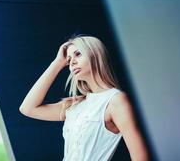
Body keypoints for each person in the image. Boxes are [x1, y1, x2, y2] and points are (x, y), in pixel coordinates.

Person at [19, 34, 149, 161]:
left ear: (95, 54)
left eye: (78, 54)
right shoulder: (74, 105)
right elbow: (27, 108)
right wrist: (57, 63)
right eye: (69, 60)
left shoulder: (115, 100)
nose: (72, 62)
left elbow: (140, 157)